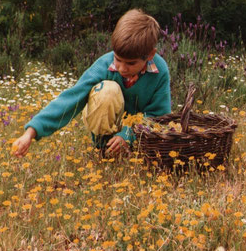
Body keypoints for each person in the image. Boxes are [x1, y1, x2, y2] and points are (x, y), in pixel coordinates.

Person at [12, 9, 171, 158]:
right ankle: (103, 148)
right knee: (107, 91)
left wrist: (128, 135)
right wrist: (31, 132)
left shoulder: (160, 71)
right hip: (107, 121)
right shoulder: (104, 65)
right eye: (118, 59)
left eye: (130, 63)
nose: (122, 68)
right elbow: (71, 98)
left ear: (150, 55)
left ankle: (126, 148)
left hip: (139, 133)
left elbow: (159, 115)